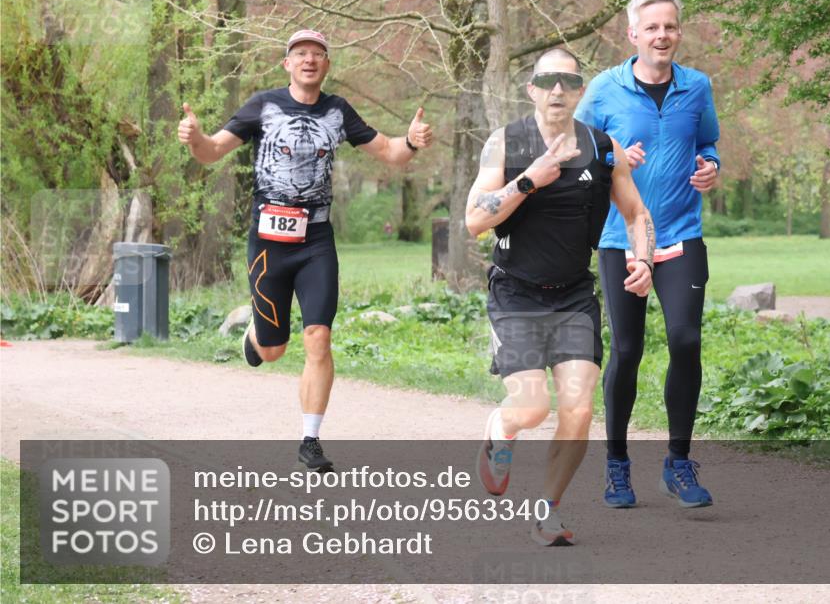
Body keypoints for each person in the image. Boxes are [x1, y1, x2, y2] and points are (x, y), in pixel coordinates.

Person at [177, 29, 433, 471]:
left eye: (317, 54)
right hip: (268, 244)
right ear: (287, 64)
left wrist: (410, 140)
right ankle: (256, 335)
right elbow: (212, 151)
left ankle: (310, 439)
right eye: (300, 54)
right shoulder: (262, 105)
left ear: (327, 64)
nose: (309, 60)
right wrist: (196, 137)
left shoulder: (338, 111)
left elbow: (390, 152)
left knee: (319, 337)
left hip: (315, 242)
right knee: (273, 351)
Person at [466, 47, 654, 546]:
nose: (557, 90)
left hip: (573, 297)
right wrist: (530, 180)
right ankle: (501, 430)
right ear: (532, 89)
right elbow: (474, 220)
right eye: (548, 81)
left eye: (568, 82)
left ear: (580, 91)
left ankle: (545, 512)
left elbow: (636, 214)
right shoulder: (505, 142)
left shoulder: (603, 147)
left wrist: (643, 259)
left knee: (578, 411)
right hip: (516, 294)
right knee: (531, 408)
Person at [575, 0, 721, 509]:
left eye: (670, 26)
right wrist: (612, 160)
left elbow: (707, 143)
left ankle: (678, 463)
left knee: (686, 340)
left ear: (679, 32)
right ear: (633, 34)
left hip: (680, 233)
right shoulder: (604, 89)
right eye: (652, 27)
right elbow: (575, 152)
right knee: (627, 351)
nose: (663, 35)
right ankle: (617, 466)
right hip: (621, 239)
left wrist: (711, 167)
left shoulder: (697, 86)